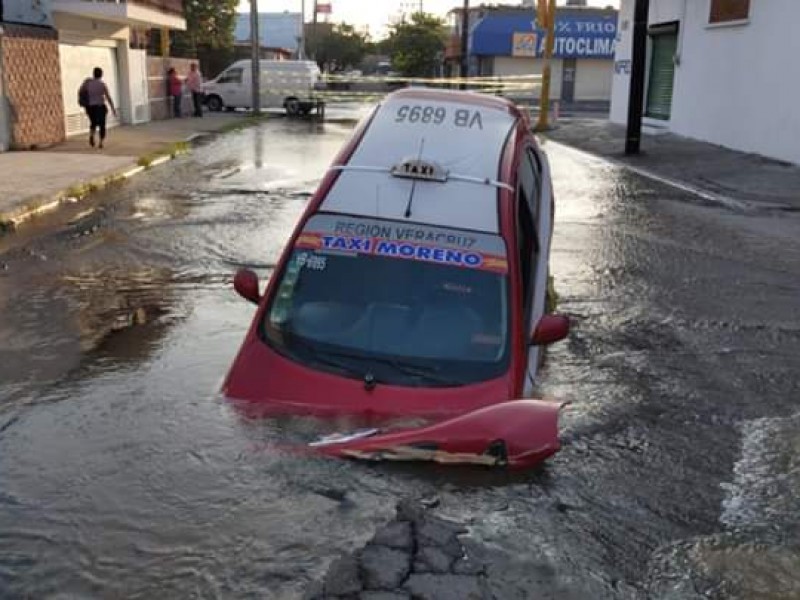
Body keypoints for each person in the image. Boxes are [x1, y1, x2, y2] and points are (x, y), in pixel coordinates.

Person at [78, 67, 117, 149]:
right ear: (101, 75)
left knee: (93, 122)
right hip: (100, 107)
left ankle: (92, 135)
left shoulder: (88, 83)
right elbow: (108, 97)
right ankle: (101, 142)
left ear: (93, 74)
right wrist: (113, 109)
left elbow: (81, 92)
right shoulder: (102, 85)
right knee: (102, 124)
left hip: (90, 107)